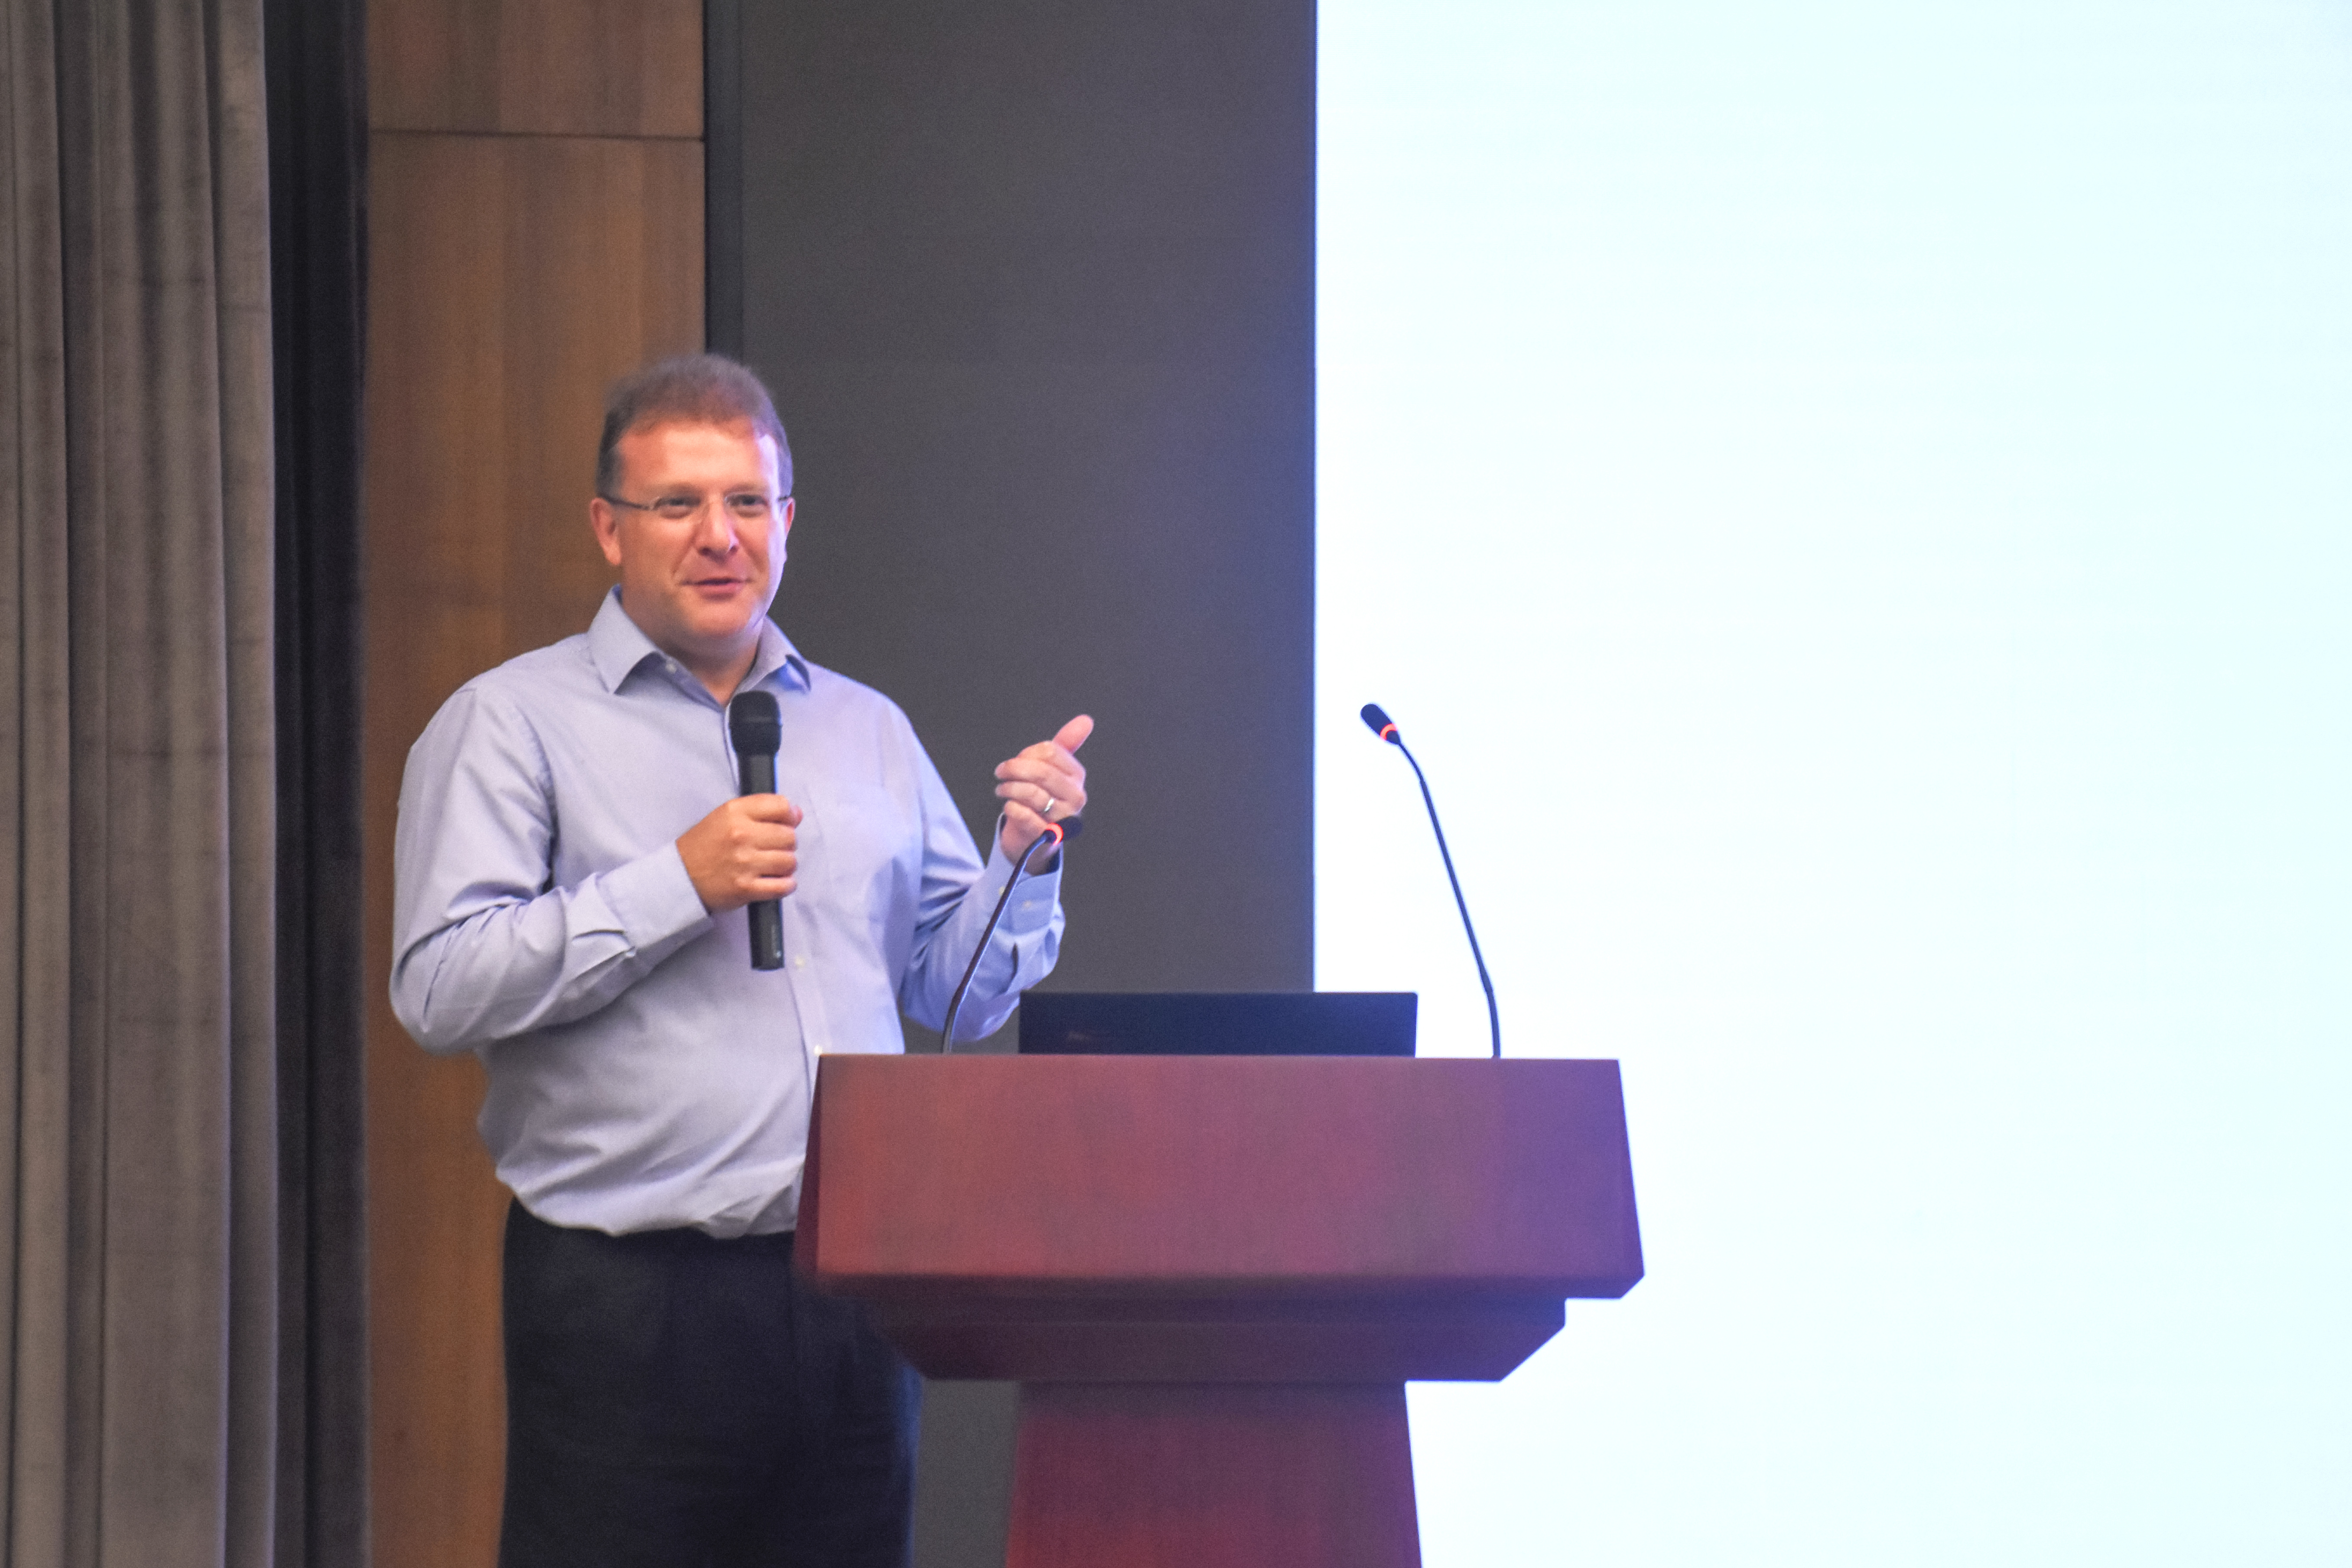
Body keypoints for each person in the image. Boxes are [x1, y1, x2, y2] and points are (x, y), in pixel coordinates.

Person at [390, 354, 1091, 1568]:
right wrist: (678, 883)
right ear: (609, 527)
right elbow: (441, 988)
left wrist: (1022, 862)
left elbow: (955, 991)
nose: (720, 536)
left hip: (852, 1294)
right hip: (632, 1307)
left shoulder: (865, 727)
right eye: (678, 503)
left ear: (787, 520)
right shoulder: (509, 722)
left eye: (748, 502)